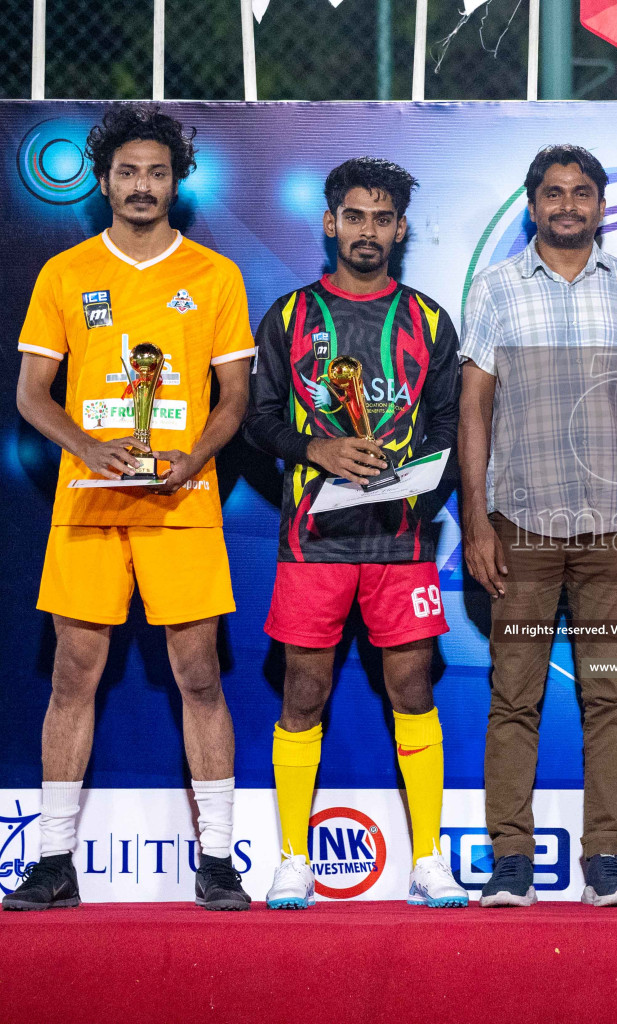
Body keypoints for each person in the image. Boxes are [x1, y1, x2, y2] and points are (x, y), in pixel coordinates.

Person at [3, 104, 255, 911]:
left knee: (199, 675)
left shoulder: (214, 274)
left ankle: (217, 860)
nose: (142, 185)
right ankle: (52, 861)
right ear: (104, 181)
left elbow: (236, 397)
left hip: (181, 499)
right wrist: (85, 445)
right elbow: (31, 395)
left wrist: (196, 455)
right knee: (74, 674)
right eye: (127, 172)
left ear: (176, 181)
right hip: (88, 502)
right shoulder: (67, 273)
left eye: (157, 172)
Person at [242, 157, 466, 909]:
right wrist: (319, 449)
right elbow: (255, 418)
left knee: (412, 687)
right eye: (354, 216)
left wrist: (417, 476)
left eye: (383, 218)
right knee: (303, 690)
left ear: (401, 229)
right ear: (330, 221)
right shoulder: (288, 317)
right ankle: (292, 859)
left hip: (401, 541)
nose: (368, 231)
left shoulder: (430, 320)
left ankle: (430, 858)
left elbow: (447, 426)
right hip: (312, 541)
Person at [458, 145, 617, 908]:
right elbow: (474, 408)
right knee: (515, 699)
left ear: (601, 206)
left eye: (581, 193)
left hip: (615, 526)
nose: (568, 205)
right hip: (523, 526)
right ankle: (511, 860)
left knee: (611, 700)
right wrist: (476, 520)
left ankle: (605, 860)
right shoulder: (497, 288)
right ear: (532, 205)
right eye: (553, 193)